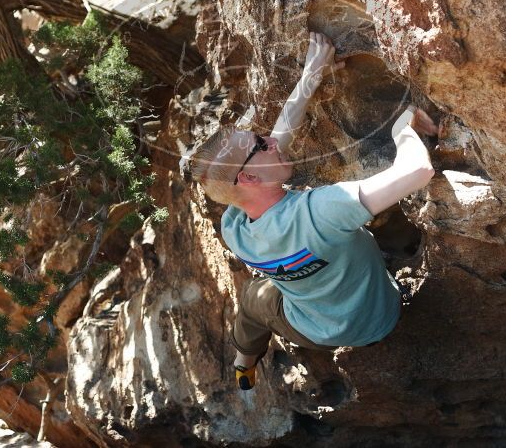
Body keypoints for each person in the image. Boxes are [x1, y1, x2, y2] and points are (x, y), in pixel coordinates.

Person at [187, 32, 438, 390]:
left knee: (253, 298)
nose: (271, 139)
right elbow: (417, 172)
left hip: (312, 330)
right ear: (249, 176)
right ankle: (245, 358)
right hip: (381, 317)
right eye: (260, 143)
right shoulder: (322, 210)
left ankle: (244, 363)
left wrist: (311, 76)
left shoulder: (235, 228)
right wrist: (402, 126)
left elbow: (278, 142)